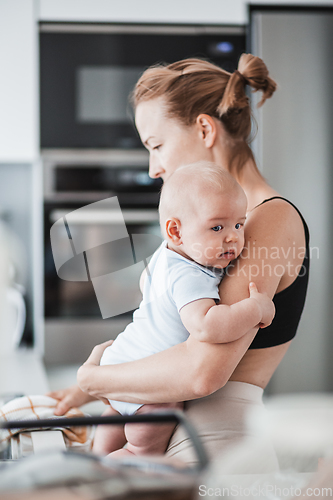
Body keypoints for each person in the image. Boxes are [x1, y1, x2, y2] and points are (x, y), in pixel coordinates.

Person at [48, 53, 310, 471]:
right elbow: (167, 328)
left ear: (205, 129)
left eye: (157, 145)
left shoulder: (266, 219)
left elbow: (201, 371)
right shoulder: (201, 233)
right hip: (174, 428)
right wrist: (95, 389)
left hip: (214, 444)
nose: (154, 168)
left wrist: (97, 381)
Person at [90, 162, 275, 457]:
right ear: (175, 231)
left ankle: (94, 461)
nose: (232, 237)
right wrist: (256, 309)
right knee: (143, 451)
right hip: (153, 388)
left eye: (239, 224)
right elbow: (207, 326)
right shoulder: (190, 276)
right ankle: (121, 464)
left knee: (107, 436)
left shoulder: (165, 255)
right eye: (217, 227)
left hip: (121, 366)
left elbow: (145, 286)